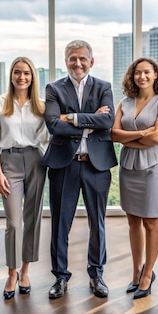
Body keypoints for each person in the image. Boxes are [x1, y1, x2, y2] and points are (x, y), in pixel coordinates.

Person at [42, 40, 117, 299]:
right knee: (61, 224)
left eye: (82, 58)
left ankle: (96, 274)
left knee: (98, 223)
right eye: (72, 58)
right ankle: (60, 277)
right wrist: (90, 119)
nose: (77, 63)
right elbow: (53, 125)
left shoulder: (103, 87)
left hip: (97, 165)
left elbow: (107, 121)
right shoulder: (54, 88)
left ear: (91, 62)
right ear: (66, 62)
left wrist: (72, 117)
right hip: (65, 165)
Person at [111, 57, 158, 299]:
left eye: (147, 72)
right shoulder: (124, 102)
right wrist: (141, 133)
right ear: (132, 76)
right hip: (128, 169)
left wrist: (130, 137)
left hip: (152, 169)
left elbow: (157, 138)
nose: (142, 76)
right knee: (133, 222)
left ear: (155, 75)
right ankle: (136, 271)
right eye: (137, 72)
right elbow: (113, 135)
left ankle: (148, 274)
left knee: (150, 223)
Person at [0, 57, 49, 300]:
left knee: (32, 218)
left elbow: (47, 136)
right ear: (11, 75)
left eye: (26, 73)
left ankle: (25, 271)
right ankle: (11, 273)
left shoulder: (42, 106)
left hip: (35, 160)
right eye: (17, 72)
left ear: (32, 76)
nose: (21, 77)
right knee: (13, 222)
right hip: (9, 162)